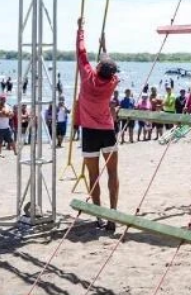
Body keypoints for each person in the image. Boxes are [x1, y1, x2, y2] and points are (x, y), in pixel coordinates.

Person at [76, 17, 120, 230]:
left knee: (93, 175)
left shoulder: (87, 76)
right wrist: (104, 48)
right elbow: (107, 66)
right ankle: (112, 215)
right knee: (112, 173)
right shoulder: (112, 82)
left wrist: (80, 30)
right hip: (107, 131)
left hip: (89, 133)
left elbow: (81, 52)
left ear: (98, 67)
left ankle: (99, 215)